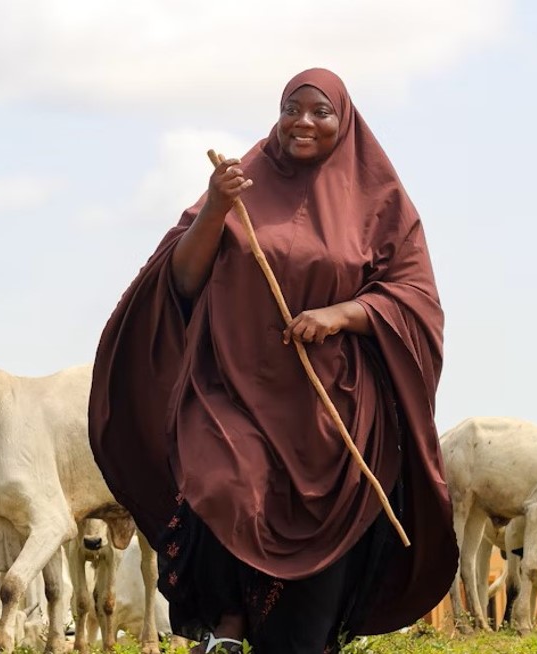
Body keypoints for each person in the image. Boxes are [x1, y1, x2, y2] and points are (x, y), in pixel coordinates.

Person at [88, 68, 458, 653]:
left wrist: (342, 314)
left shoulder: (381, 200)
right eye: (291, 109)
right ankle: (226, 623)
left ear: (345, 120)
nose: (302, 122)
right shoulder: (243, 181)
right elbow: (180, 280)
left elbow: (414, 298)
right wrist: (215, 208)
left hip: (333, 414)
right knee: (219, 481)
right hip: (232, 389)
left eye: (320, 111)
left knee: (311, 596)